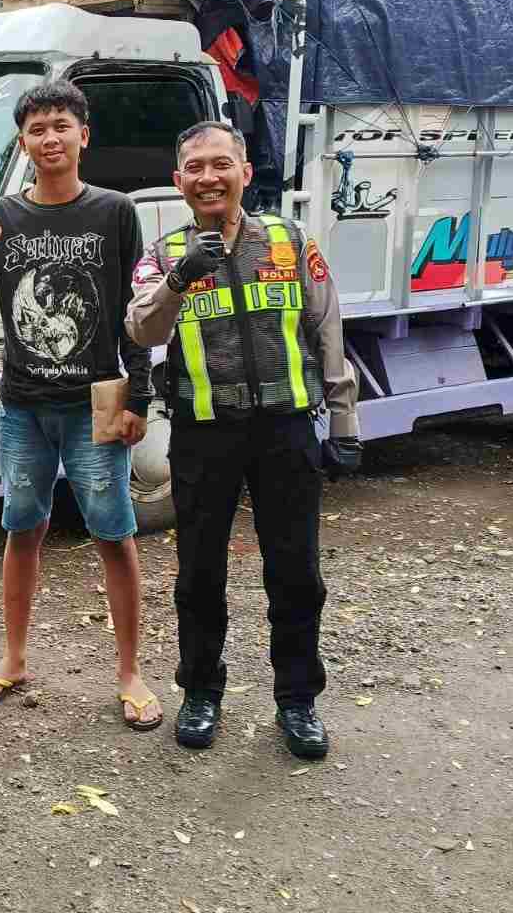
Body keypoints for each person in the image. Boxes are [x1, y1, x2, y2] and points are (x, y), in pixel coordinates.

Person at [0, 79, 161, 731]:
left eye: (62, 125)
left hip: (95, 401)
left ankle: (129, 672)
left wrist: (138, 394)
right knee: (22, 528)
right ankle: (13, 658)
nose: (50, 138)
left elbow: (134, 314)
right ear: (24, 143)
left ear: (83, 135)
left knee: (113, 535)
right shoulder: (3, 217)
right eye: (37, 129)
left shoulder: (114, 211)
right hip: (24, 404)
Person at [125, 121, 360, 759]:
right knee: (199, 574)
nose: (208, 177)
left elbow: (327, 329)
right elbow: (142, 332)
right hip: (203, 435)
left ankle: (298, 700)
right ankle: (200, 691)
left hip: (285, 429)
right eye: (194, 168)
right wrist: (180, 281)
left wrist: (344, 423)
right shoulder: (165, 253)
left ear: (244, 173)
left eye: (220, 164)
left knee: (296, 572)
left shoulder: (289, 241)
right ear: (179, 182)